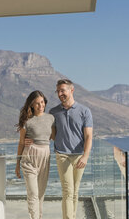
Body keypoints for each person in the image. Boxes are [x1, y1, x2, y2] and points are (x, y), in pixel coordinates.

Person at [50, 79, 93, 219]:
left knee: (75, 191)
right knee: (68, 191)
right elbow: (52, 135)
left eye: (63, 90)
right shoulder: (53, 112)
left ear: (71, 90)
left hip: (80, 156)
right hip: (62, 155)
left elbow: (88, 136)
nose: (60, 93)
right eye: (58, 91)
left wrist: (85, 156)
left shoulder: (85, 111)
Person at [15, 90, 55, 219]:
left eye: (42, 102)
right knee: (33, 193)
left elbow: (54, 137)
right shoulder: (27, 121)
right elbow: (21, 143)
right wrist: (17, 164)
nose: (40, 105)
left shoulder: (51, 118)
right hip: (29, 157)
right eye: (37, 103)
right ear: (31, 105)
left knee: (41, 194)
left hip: (45, 156)